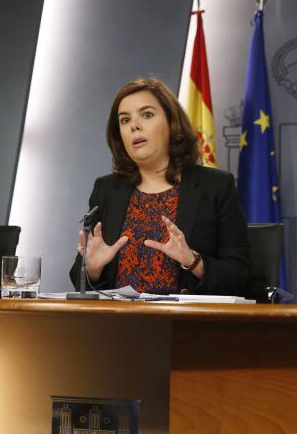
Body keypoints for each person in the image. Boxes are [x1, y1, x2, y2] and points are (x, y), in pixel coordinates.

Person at [69, 78, 250, 296]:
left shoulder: (215, 186)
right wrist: (93, 269)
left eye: (147, 115)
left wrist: (193, 261)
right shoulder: (106, 190)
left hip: (186, 326)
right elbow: (80, 283)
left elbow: (241, 276)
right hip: (117, 324)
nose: (134, 125)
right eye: (125, 120)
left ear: (171, 123)